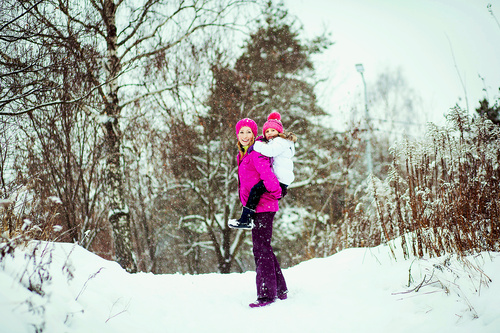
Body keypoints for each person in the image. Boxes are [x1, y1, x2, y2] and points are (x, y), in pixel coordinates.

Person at [232, 117, 288, 308]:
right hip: (256, 206)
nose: (245, 136)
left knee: (260, 249)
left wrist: (276, 192)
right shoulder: (243, 153)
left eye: (249, 132)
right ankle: (280, 288)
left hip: (264, 206)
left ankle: (266, 295)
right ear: (237, 135)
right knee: (264, 247)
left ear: (255, 134)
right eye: (241, 132)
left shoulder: (256, 151)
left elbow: (267, 175)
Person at [229, 112, 296, 230]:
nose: (269, 133)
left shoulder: (279, 142)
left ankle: (245, 219)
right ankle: (246, 218)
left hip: (278, 181)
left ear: (279, 132)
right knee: (260, 245)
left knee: (255, 191)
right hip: (279, 180)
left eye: (273, 131)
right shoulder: (276, 142)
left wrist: (256, 145)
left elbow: (270, 154)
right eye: (267, 131)